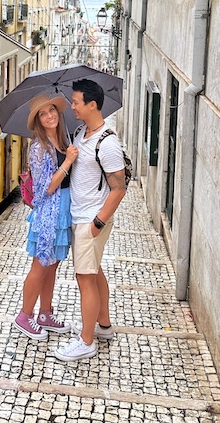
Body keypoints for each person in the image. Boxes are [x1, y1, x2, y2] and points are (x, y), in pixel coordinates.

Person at [52, 78, 126, 361]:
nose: (72, 107)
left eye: (76, 102)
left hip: (89, 219)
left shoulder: (107, 143)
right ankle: (103, 325)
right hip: (80, 214)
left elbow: (119, 188)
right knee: (94, 272)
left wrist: (97, 223)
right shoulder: (83, 131)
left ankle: (86, 342)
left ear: (92, 104)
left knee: (84, 278)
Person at [13, 93, 79, 340]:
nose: (50, 115)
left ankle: (45, 313)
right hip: (48, 213)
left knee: (52, 265)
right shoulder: (39, 147)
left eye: (52, 110)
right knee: (40, 265)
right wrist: (68, 162)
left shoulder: (62, 141)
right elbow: (44, 188)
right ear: (38, 121)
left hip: (64, 209)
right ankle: (24, 315)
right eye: (43, 113)